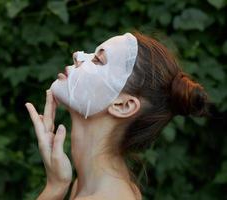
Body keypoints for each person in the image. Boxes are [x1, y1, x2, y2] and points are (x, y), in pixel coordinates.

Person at [25, 30, 211, 200]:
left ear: (123, 105)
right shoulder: (85, 187)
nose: (78, 56)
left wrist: (54, 189)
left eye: (98, 60)